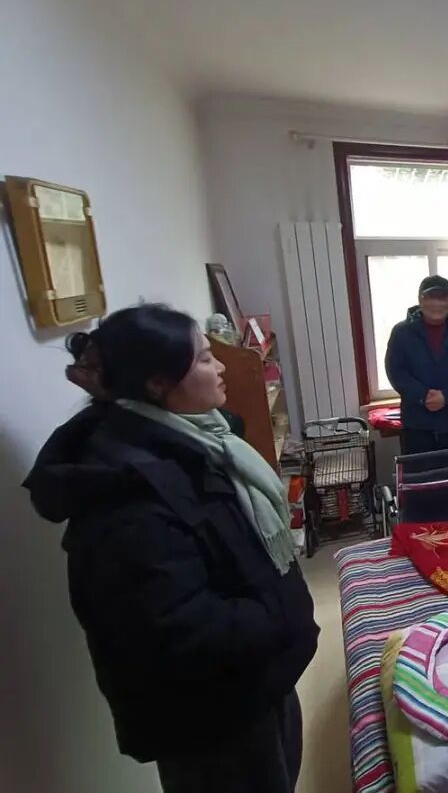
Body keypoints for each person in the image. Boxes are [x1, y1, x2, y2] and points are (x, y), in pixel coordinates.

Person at [23, 304, 319, 793]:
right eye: (203, 358)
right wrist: (277, 615)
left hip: (254, 684)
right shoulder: (128, 491)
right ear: (158, 383)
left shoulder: (198, 438)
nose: (221, 366)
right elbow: (176, 626)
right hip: (212, 718)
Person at [385, 274, 448, 455]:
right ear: (420, 300)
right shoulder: (401, 333)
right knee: (419, 472)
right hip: (416, 425)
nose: (436, 304)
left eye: (442, 298)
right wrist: (422, 395)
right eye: (431, 297)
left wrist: (447, 396)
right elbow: (395, 371)